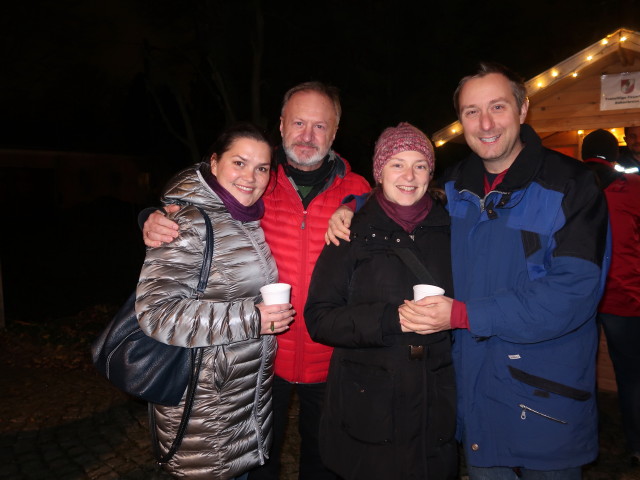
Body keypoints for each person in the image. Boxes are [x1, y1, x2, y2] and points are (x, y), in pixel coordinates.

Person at [326, 63, 610, 479]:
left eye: (497, 106)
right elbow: (403, 193)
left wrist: (464, 315)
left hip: (544, 400)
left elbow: (574, 293)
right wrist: (352, 207)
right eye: (471, 111)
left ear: (523, 108)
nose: (486, 123)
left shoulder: (571, 185)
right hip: (476, 396)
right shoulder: (457, 187)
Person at [141, 82, 371, 480]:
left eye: (320, 126)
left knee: (326, 462)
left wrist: (359, 205)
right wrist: (150, 216)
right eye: (298, 122)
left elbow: (401, 218)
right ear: (281, 125)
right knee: (259, 463)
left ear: (335, 132)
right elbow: (199, 200)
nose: (307, 135)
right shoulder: (257, 179)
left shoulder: (358, 189)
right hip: (261, 360)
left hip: (331, 357)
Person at [135, 123, 295, 480]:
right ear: (213, 162)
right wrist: (252, 318)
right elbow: (156, 314)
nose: (250, 177)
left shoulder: (243, 218)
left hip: (240, 402)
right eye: (239, 163)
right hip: (204, 411)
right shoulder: (190, 222)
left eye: (262, 168)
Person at [304, 122, 457, 479]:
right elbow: (319, 317)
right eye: (397, 164)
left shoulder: (451, 229)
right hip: (367, 403)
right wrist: (391, 320)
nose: (409, 175)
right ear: (379, 172)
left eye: (420, 164)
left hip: (435, 398)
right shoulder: (350, 231)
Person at [581, 129, 640, 467]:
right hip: (623, 294)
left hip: (581, 296)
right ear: (613, 156)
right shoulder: (631, 188)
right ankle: (636, 443)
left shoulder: (572, 187)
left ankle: (587, 437)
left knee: (580, 369)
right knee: (631, 375)